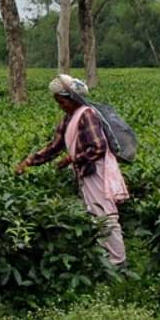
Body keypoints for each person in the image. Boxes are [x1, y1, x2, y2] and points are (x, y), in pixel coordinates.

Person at [15, 74, 130, 266]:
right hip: (86, 173)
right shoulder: (70, 118)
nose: (60, 106)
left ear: (71, 99)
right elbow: (55, 146)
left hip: (97, 173)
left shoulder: (87, 115)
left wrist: (71, 158)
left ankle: (119, 262)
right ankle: (106, 260)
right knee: (96, 215)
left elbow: (97, 148)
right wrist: (29, 161)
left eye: (61, 101)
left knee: (106, 216)